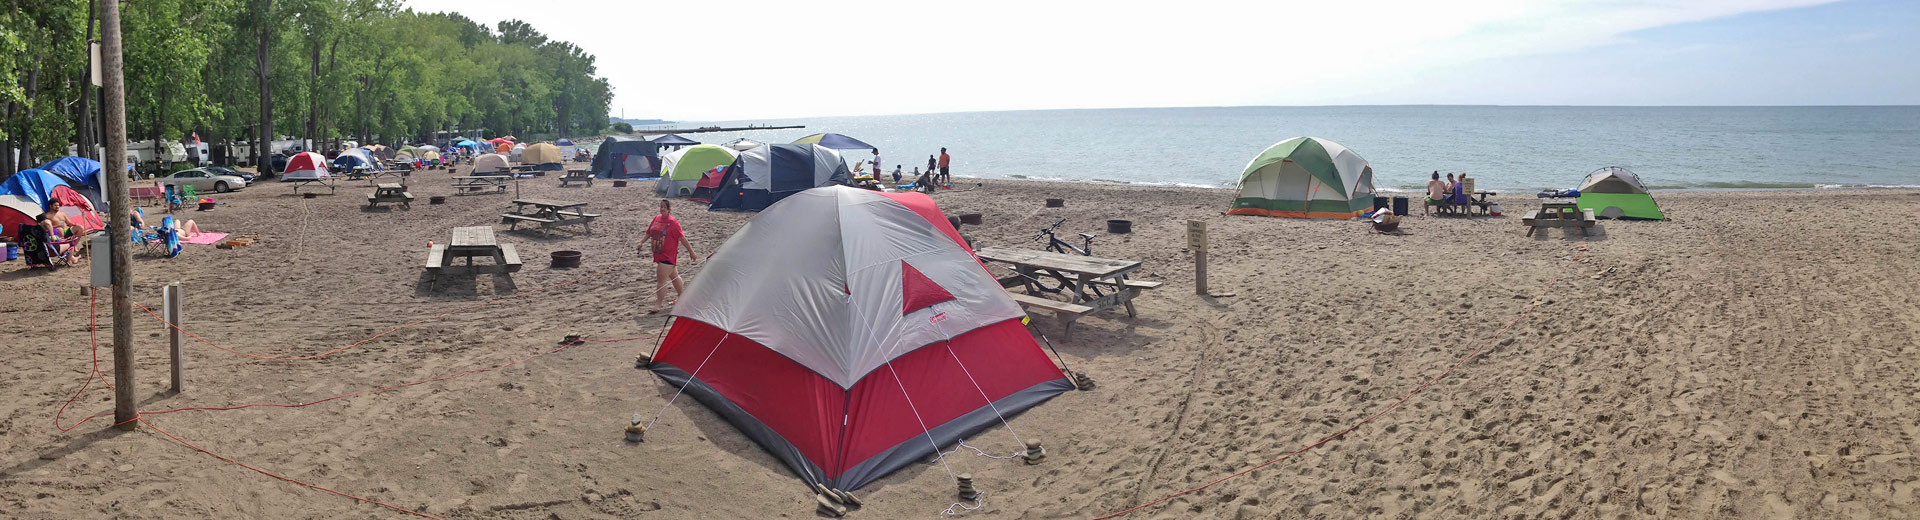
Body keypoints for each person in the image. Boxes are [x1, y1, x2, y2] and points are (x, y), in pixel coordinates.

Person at [643, 199, 696, 314]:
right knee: (675, 276)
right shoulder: (656, 218)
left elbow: (682, 238)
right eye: (661, 207)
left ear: (669, 209)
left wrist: (691, 252)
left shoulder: (673, 222)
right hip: (659, 253)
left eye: (664, 207)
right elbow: (649, 232)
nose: (662, 209)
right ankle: (683, 298)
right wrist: (641, 243)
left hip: (669, 256)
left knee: (661, 279)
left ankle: (658, 305)